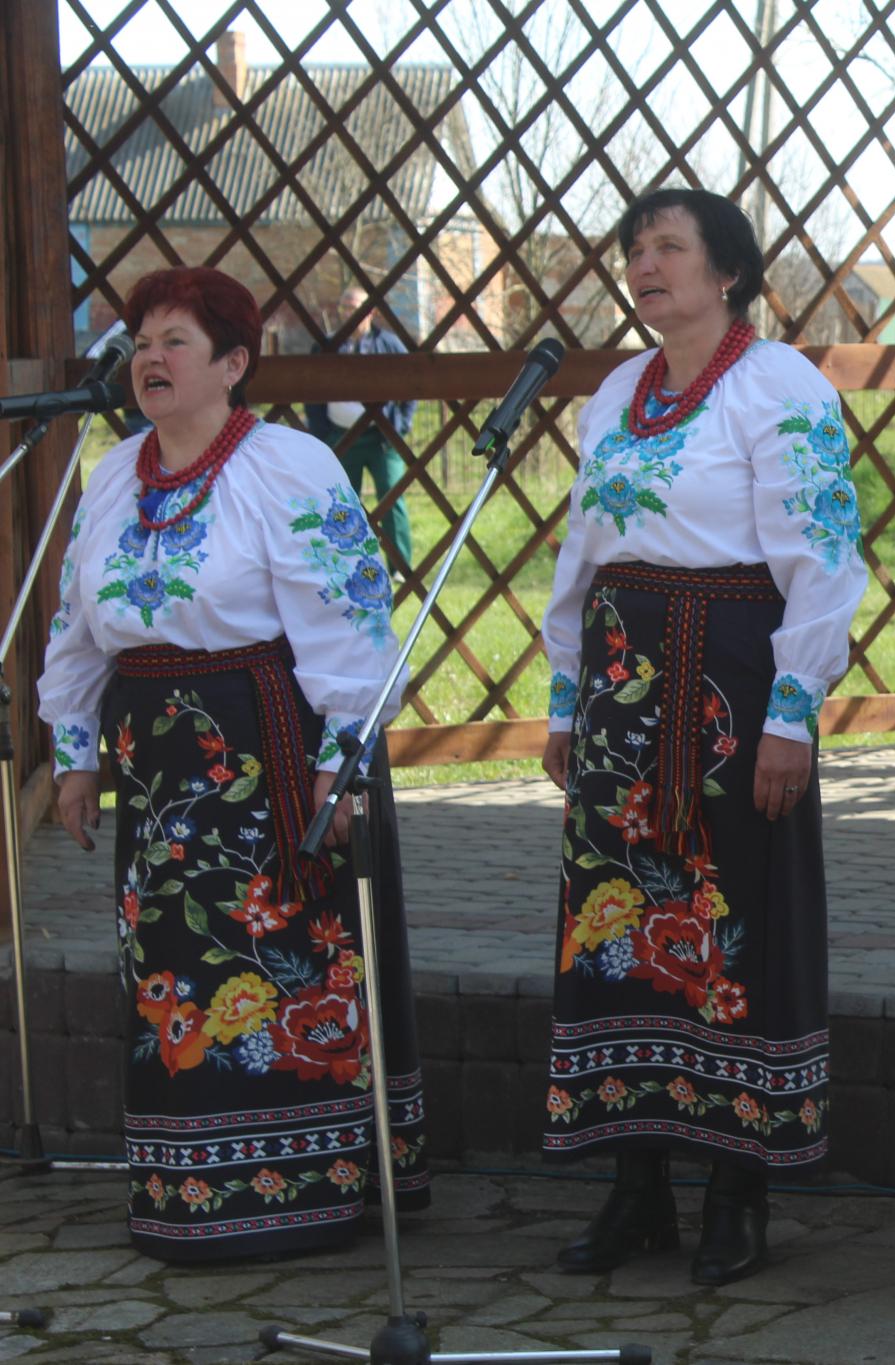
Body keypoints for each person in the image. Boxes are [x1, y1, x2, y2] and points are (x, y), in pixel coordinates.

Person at [39, 266, 430, 1262]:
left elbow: (346, 624)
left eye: (176, 341)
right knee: (170, 966)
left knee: (283, 960)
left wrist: (341, 765)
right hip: (159, 761)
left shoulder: (287, 467)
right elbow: (78, 631)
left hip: (269, 749)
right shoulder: (114, 476)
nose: (150, 360)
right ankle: (192, 1194)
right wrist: (75, 754)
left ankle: (311, 1188)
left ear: (234, 364)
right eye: (141, 343)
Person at [539, 187, 865, 1286]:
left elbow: (821, 560)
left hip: (731, 683)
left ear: (727, 271)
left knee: (735, 924)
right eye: (634, 249)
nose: (645, 265)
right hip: (626, 688)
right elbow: (580, 556)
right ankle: (637, 1189)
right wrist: (562, 697)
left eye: (668, 248)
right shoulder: (617, 391)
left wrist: (792, 711)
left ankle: (739, 1189)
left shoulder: (779, 387)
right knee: (618, 929)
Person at [306, 285, 415, 570]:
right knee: (341, 502)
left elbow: (412, 381)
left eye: (354, 308)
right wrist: (322, 434)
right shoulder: (326, 346)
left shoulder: (388, 344)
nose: (348, 314)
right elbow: (310, 389)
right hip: (341, 436)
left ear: (371, 312)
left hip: (382, 436)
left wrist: (402, 424)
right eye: (344, 308)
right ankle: (344, 560)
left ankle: (400, 566)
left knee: (391, 498)